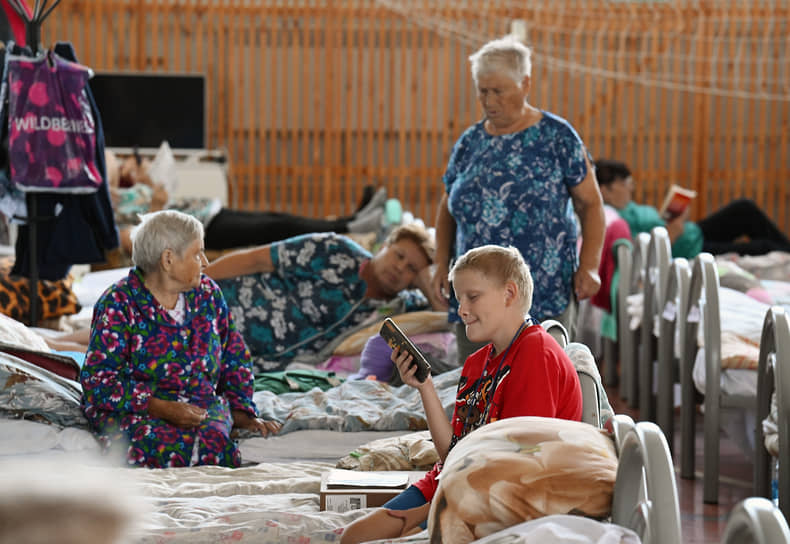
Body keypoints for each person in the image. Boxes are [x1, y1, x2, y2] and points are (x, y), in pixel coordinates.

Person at [340, 245, 583, 543]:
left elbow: (517, 468)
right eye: (458, 300)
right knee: (354, 536)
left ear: (509, 293)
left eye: (473, 297)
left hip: (506, 502)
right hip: (452, 484)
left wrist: (428, 513)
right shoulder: (476, 362)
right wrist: (424, 386)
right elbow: (453, 453)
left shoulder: (536, 353)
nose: (462, 310)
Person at [430, 35, 605, 363]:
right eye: (483, 91)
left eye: (499, 91)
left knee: (542, 383)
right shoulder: (470, 143)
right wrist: (441, 263)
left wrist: (590, 265)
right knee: (479, 387)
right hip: (476, 295)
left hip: (543, 287)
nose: (489, 100)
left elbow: (591, 204)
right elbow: (447, 206)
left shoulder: (557, 137)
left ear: (525, 84)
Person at [79, 210, 281, 468]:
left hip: (199, 407)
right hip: (136, 412)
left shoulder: (207, 294)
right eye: (198, 254)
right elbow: (98, 381)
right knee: (156, 447)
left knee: (216, 446)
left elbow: (234, 355)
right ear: (168, 259)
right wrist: (159, 407)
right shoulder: (119, 303)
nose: (206, 262)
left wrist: (241, 410)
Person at [204, 223, 435, 373]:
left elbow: (446, 315)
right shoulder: (334, 249)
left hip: (247, 359)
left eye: (412, 269)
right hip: (219, 306)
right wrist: (198, 281)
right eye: (399, 255)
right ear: (384, 246)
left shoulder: (401, 308)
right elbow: (256, 259)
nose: (399, 267)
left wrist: (426, 282)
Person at [105, 150, 387, 255]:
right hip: (198, 231)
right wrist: (156, 206)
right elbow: (140, 241)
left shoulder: (122, 194)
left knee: (276, 219)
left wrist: (149, 184)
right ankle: (351, 228)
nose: (130, 164)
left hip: (207, 211)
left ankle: (350, 220)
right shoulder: (108, 219)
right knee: (276, 229)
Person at [594, 158, 790, 258]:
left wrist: (675, 219)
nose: (631, 187)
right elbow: (639, 259)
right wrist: (671, 233)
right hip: (691, 249)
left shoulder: (626, 207)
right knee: (766, 248)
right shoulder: (613, 219)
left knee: (744, 209)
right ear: (605, 190)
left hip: (691, 232)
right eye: (625, 182)